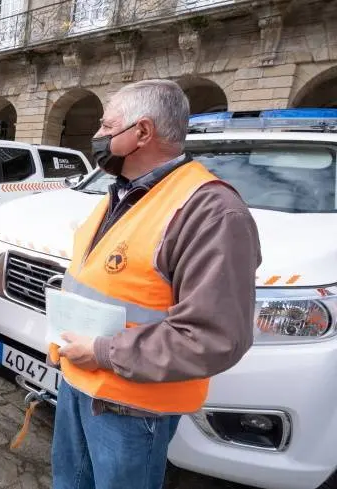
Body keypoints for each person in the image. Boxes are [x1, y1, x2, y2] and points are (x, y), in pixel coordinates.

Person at [48, 79, 262, 489]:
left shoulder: (212, 212)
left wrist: (102, 352)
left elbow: (214, 337)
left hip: (133, 409)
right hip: (80, 383)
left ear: (142, 133)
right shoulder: (125, 193)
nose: (97, 135)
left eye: (106, 126)